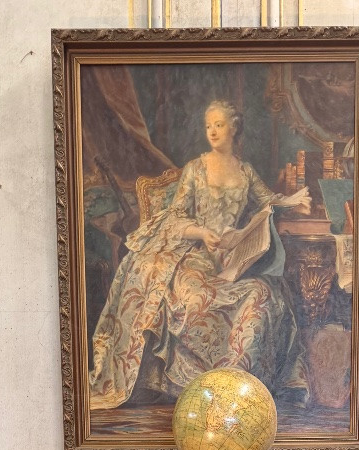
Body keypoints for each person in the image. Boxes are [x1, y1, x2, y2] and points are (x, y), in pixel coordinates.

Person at [89, 99, 312, 411]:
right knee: (194, 298)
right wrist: (203, 233)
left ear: (234, 128)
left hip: (231, 259)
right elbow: (175, 216)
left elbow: (266, 200)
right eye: (209, 126)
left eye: (219, 125)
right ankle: (196, 384)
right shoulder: (196, 169)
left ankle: (237, 382)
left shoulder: (246, 171)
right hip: (192, 256)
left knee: (262, 294)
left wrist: (293, 202)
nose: (213, 131)